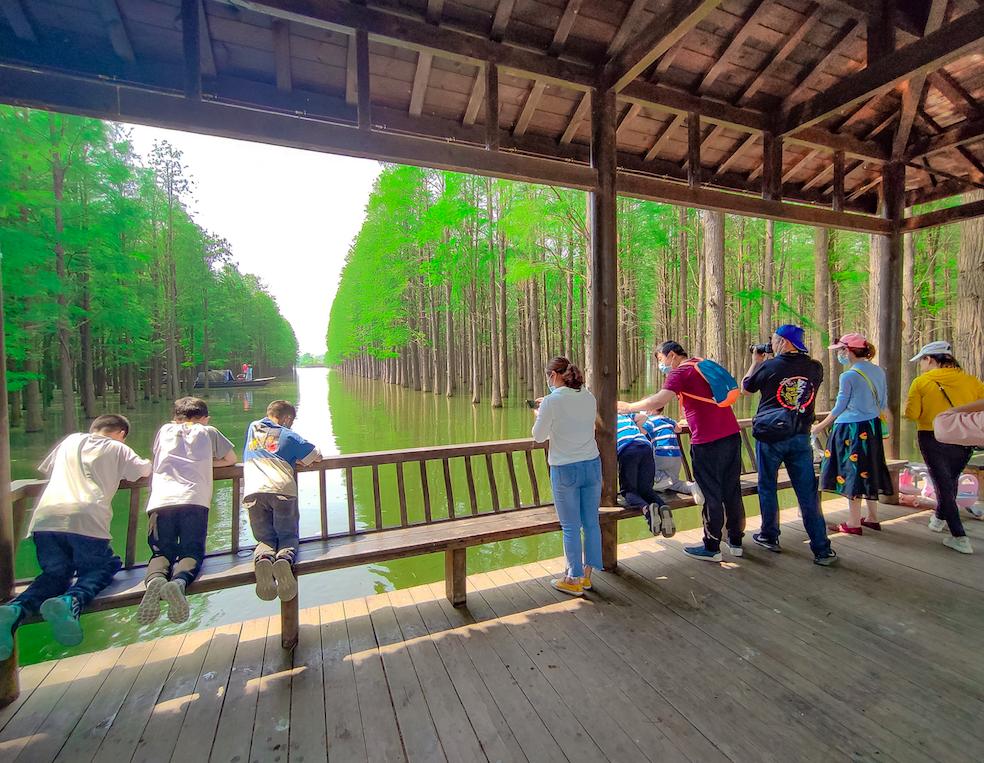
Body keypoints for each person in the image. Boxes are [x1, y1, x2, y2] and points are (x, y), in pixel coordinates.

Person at [0, 415, 151, 659]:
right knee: (104, 566)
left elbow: (48, 469)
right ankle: (71, 601)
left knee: (55, 575)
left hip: (46, 518)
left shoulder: (70, 441)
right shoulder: (117, 448)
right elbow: (142, 471)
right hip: (86, 518)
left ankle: (16, 609)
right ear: (121, 433)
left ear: (93, 429)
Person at [619, 341, 744, 562]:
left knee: (711, 492)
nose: (661, 365)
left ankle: (712, 546)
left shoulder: (680, 372)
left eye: (660, 359)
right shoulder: (701, 364)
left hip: (707, 441)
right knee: (731, 489)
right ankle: (735, 541)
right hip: (731, 435)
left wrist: (628, 407)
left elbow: (659, 400)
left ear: (672, 355)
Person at [742, 325, 837, 566]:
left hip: (770, 437)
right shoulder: (815, 367)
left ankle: (769, 535)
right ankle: (822, 549)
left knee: (767, 487)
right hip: (800, 436)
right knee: (807, 493)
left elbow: (747, 387)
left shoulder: (769, 366)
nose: (772, 344)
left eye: (774, 340)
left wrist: (756, 361)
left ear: (783, 342)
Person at [137, 397, 237, 625]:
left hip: (161, 500)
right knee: (191, 551)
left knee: (161, 553)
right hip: (194, 499)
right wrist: (205, 464)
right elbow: (231, 460)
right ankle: (179, 582)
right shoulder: (208, 431)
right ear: (205, 417)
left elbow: (158, 456)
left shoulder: (164, 430)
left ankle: (155, 581)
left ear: (175, 417)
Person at [904, 341, 984, 554]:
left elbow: (912, 414)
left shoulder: (921, 382)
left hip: (932, 437)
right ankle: (940, 517)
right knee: (949, 480)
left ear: (930, 359)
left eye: (922, 360)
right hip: (963, 436)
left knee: (942, 484)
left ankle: (959, 536)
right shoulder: (971, 381)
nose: (921, 365)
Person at [531, 357, 601, 596]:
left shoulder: (551, 402)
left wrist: (540, 414)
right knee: (591, 523)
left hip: (565, 469)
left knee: (570, 526)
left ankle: (573, 579)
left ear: (553, 376)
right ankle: (587, 577)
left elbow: (539, 436)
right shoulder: (589, 397)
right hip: (592, 465)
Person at [812, 333, 894, 534]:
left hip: (850, 430)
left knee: (852, 472)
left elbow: (839, 407)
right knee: (870, 468)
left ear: (848, 351)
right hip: (872, 427)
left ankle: (854, 522)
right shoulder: (878, 371)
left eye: (841, 350)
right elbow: (882, 403)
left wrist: (819, 427)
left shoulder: (848, 375)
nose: (840, 354)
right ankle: (873, 517)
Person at [243, 400, 323, 602]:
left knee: (265, 538)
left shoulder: (253, 427)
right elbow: (315, 455)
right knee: (287, 535)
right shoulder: (289, 435)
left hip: (253, 492)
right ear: (287, 418)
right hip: (282, 491)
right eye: (291, 421)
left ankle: (263, 558)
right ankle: (284, 560)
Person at [615, 413, 672, 537]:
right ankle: (663, 507)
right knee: (646, 490)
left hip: (627, 449)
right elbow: (643, 417)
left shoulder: (603, 419)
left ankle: (647, 510)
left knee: (628, 492)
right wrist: (638, 428)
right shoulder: (624, 415)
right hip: (645, 445)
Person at [641, 406, 703, 503]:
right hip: (676, 456)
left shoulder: (649, 421)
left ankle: (661, 478)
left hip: (661, 454)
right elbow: (678, 429)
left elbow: (642, 431)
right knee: (674, 483)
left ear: (650, 410)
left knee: (646, 466)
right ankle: (692, 487)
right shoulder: (667, 419)